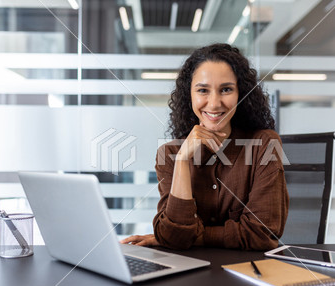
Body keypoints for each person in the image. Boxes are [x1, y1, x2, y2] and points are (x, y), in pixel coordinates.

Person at [121, 43, 288, 250]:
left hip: (248, 273)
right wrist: (182, 160)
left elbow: (262, 234)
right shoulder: (170, 154)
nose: (215, 103)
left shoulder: (264, 144)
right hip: (188, 276)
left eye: (226, 89)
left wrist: (192, 236)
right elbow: (173, 236)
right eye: (203, 90)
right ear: (189, 95)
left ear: (241, 94)